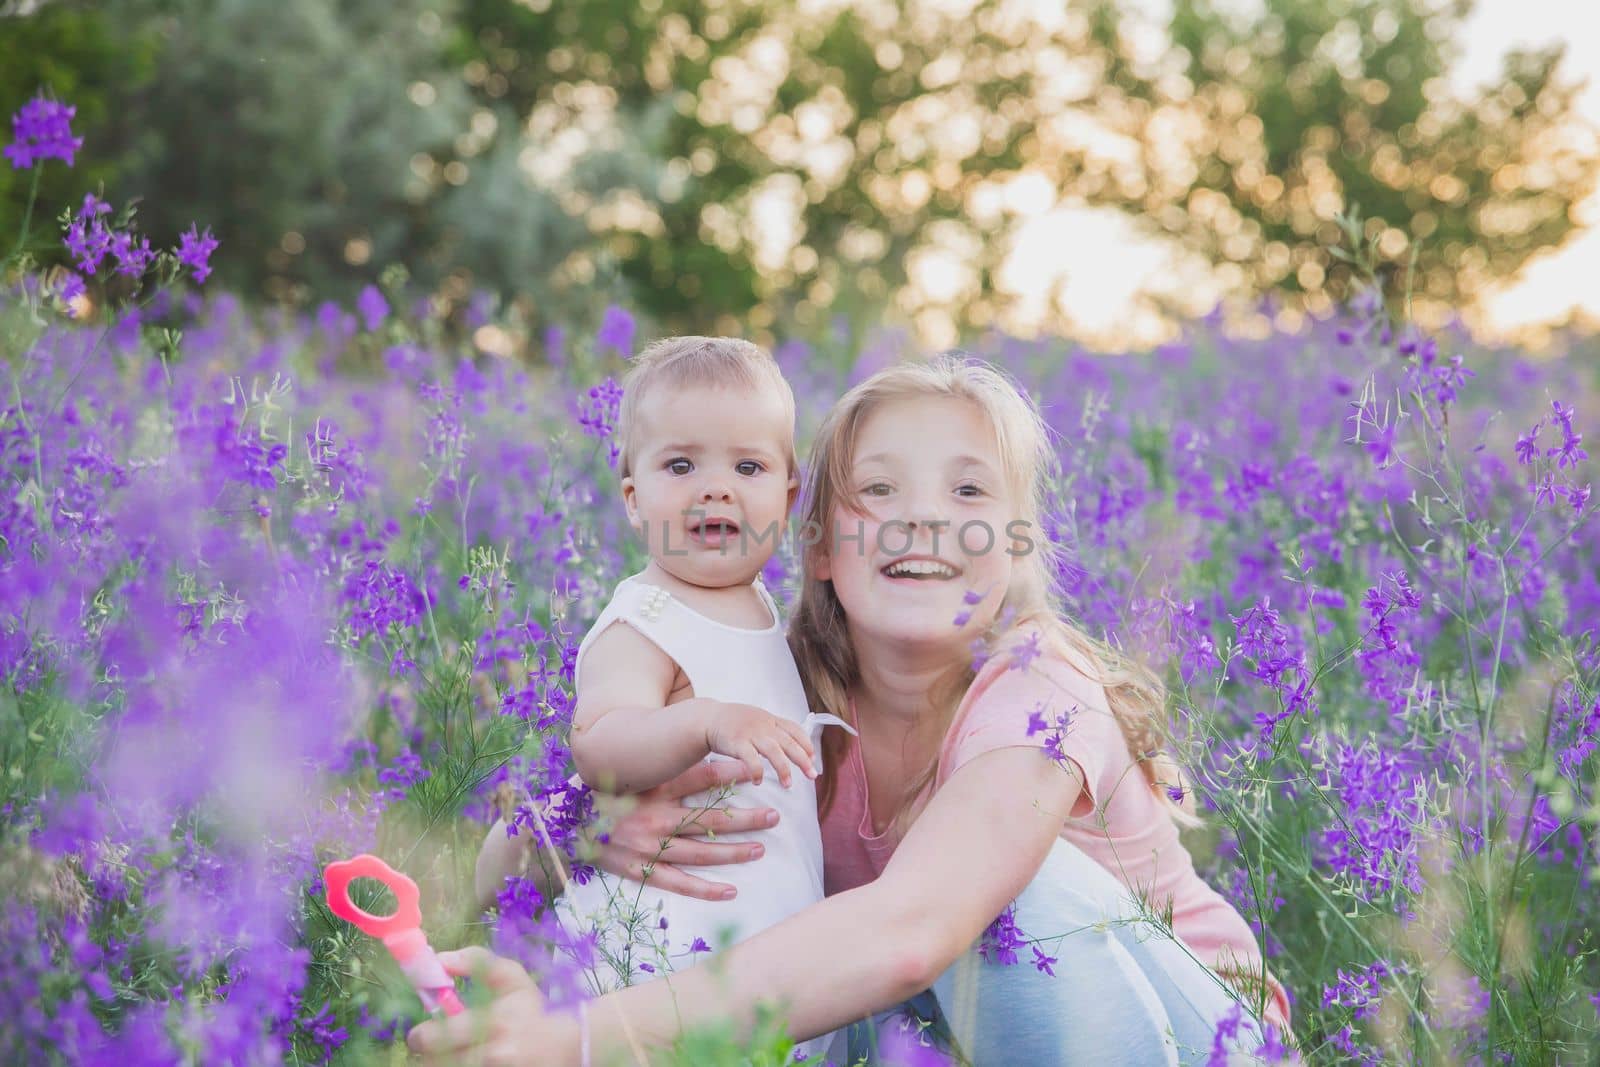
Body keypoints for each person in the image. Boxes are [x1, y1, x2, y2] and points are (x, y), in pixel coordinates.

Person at [431, 355, 1289, 1066]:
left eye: (967, 494)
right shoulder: (775, 700)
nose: (921, 516)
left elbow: (909, 933)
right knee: (835, 1008)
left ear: (1018, 542)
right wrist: (581, 830)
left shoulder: (1041, 695)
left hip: (1203, 1039)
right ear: (819, 547)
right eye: (878, 490)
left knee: (999, 910)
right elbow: (491, 877)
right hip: (947, 1032)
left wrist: (582, 1038)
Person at [491, 335, 850, 1063]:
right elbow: (601, 739)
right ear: (633, 497)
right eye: (680, 465)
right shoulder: (644, 622)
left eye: (747, 466)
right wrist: (706, 720)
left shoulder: (760, 612)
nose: (714, 488)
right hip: (650, 961)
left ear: (786, 497)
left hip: (752, 965)